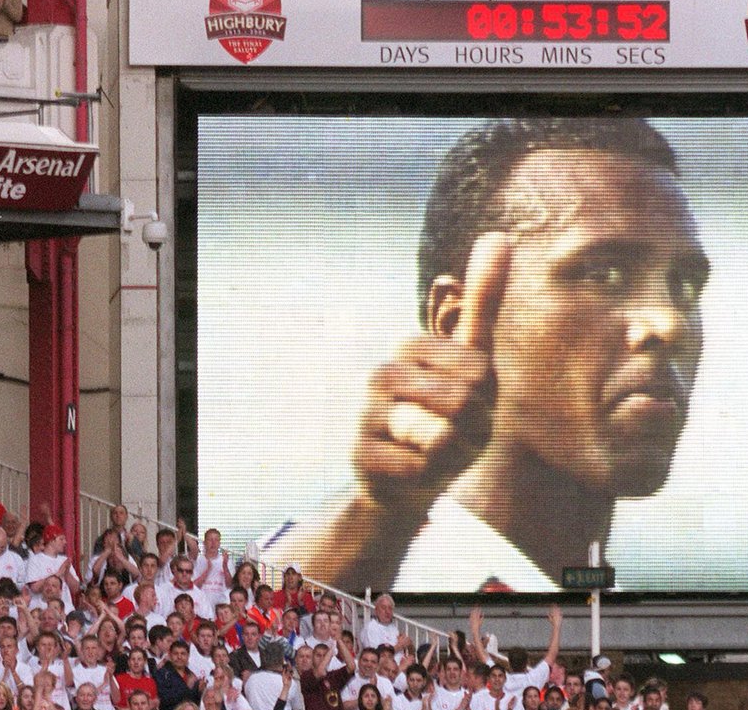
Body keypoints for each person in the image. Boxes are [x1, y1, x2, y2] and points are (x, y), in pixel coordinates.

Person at [260, 117, 711, 592]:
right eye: (604, 275)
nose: (670, 323)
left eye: (684, 285)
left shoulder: (602, 602)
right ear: (454, 320)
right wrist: (378, 512)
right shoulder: (362, 576)